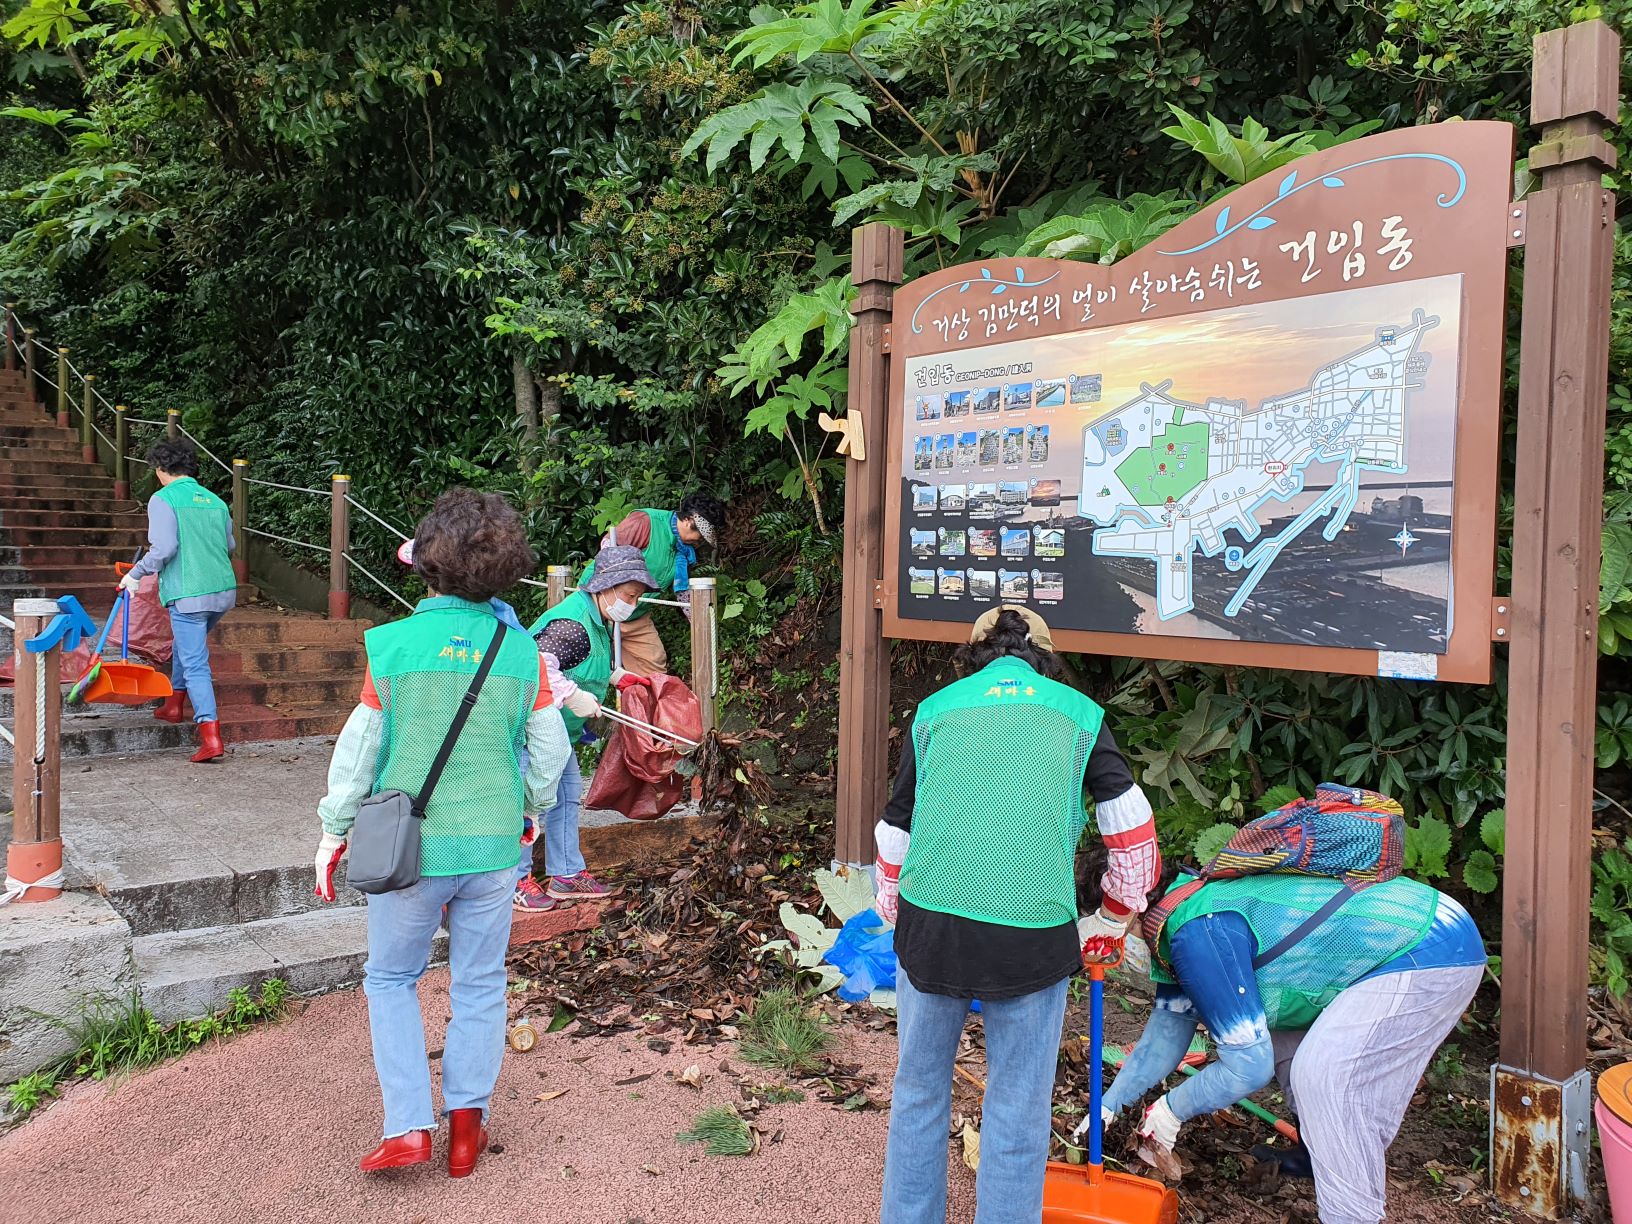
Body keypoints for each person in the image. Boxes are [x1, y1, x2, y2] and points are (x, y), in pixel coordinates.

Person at [311, 489, 570, 1177]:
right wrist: (534, 812)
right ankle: (466, 1127)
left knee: (391, 977)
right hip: (492, 846)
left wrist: (334, 830)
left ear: (425, 564)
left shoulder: (391, 645)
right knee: (481, 981)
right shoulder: (523, 654)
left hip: (408, 850)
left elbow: (359, 751)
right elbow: (549, 753)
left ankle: (408, 1127)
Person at [873, 606, 1161, 1224]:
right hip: (1032, 933)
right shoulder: (1079, 715)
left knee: (919, 1092)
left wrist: (894, 910)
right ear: (1045, 658)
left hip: (932, 929)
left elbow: (896, 829)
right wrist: (1110, 918)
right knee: (1018, 1108)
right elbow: (1134, 837)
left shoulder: (936, 710)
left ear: (974, 657)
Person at [1086, 830, 1485, 1224]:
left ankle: (1352, 1214)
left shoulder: (1199, 931)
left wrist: (1171, 1111)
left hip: (1429, 947)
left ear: (1127, 909)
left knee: (1326, 1076)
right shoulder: (1181, 915)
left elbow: (1247, 1067)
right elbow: (1165, 1038)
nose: (1105, 948)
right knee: (1285, 1048)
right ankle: (1318, 1155)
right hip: (1418, 937)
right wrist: (1106, 1107)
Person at [515, 543, 658, 911]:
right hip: (529, 730)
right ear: (605, 587)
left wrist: (617, 677)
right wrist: (573, 695)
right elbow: (535, 666)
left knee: (565, 795)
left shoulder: (598, 621)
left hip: (560, 731)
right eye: (629, 595)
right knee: (526, 802)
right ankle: (516, 880)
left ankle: (566, 875)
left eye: (637, 597)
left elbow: (583, 661)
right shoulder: (572, 623)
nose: (632, 603)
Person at [121, 438, 238, 764]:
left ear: (160, 469)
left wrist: (136, 573)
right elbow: (229, 546)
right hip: (223, 592)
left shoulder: (163, 499)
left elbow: (164, 549)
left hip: (189, 593)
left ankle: (210, 734)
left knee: (195, 660)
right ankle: (173, 705)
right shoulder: (215, 501)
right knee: (188, 647)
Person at [581, 492, 725, 676]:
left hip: (635, 615)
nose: (700, 541)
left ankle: (645, 704)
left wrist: (700, 622)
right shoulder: (647, 522)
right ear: (689, 521)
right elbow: (608, 545)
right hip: (596, 606)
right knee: (587, 668)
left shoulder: (684, 552)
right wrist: (614, 594)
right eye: (701, 535)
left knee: (654, 668)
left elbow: (683, 593)